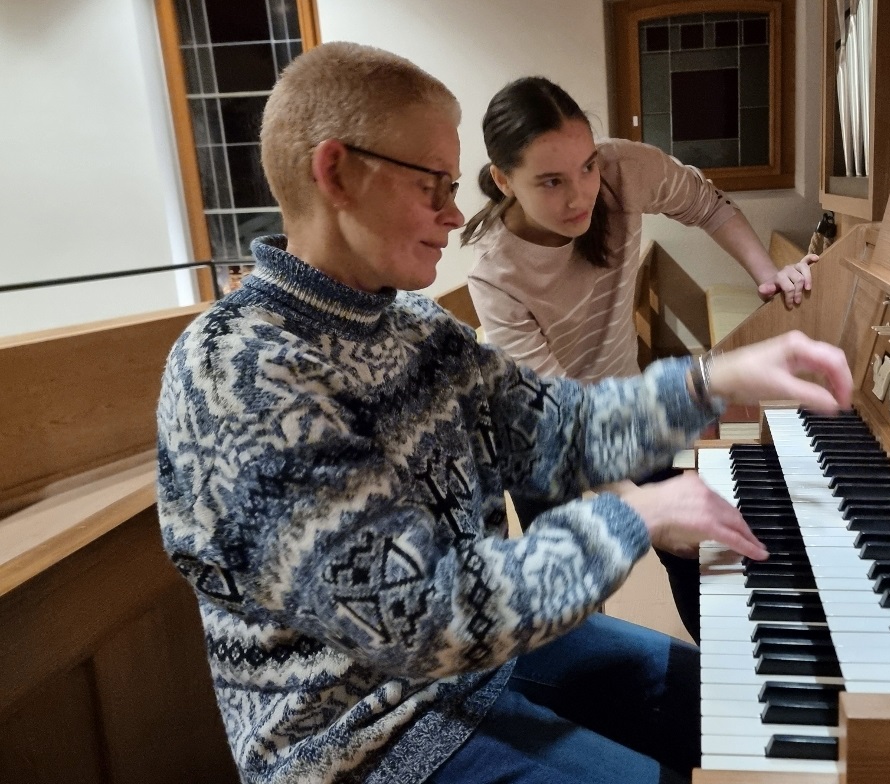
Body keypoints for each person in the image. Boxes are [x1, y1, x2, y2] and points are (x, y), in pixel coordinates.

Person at [156, 42, 852, 784]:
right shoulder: (240, 373)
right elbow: (418, 618)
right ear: (337, 173)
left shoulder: (416, 328)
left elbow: (556, 425)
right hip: (364, 735)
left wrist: (713, 378)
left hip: (478, 665)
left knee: (756, 707)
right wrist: (633, 517)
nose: (455, 214)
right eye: (433, 185)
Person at [461, 76, 820, 642]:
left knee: (689, 550)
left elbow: (708, 204)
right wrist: (637, 507)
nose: (580, 195)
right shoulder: (493, 270)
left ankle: (725, 667)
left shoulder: (624, 169)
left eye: (586, 167)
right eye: (551, 181)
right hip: (539, 432)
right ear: (504, 180)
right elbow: (558, 413)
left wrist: (770, 276)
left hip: (628, 402)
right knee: (576, 586)